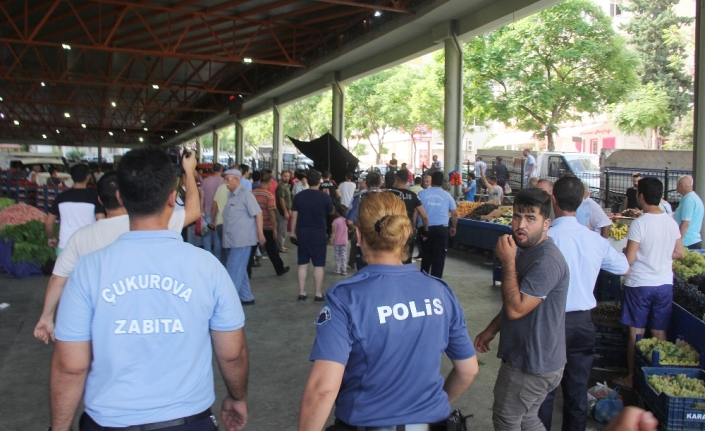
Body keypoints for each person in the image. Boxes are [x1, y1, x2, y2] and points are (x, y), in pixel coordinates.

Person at [50, 147, 249, 431]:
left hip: (108, 423)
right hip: (188, 422)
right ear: (172, 197)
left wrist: (58, 427)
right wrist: (237, 397)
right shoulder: (208, 267)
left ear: (119, 197)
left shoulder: (88, 270)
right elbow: (232, 354)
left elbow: (70, 367)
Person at [298, 192, 479, 431]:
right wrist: (430, 408)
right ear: (404, 235)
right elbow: (468, 369)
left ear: (359, 236)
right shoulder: (440, 291)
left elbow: (323, 388)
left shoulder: (346, 297)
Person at [34, 159, 200, 344]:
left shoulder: (80, 237)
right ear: (126, 197)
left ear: (99, 199)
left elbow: (58, 278)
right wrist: (189, 171)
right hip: (148, 323)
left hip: (99, 326)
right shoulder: (153, 225)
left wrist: (47, 317)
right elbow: (193, 211)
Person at [537, 176, 630, 431]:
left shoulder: (545, 239)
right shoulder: (594, 240)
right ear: (581, 202)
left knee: (545, 393)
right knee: (576, 395)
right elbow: (623, 266)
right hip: (582, 325)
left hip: (550, 322)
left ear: (553, 200)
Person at [474, 188, 569, 431]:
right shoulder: (529, 251)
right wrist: (492, 329)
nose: (520, 225)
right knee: (526, 419)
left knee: (506, 419)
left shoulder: (545, 260)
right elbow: (515, 298)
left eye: (530, 218)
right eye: (517, 216)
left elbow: (516, 309)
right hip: (538, 359)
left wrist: (507, 262)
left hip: (531, 364)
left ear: (546, 223)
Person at [616, 177, 684, 389]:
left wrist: (625, 252)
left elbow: (630, 259)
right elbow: (679, 253)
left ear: (642, 196)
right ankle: (660, 379)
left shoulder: (640, 223)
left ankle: (631, 378)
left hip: (640, 285)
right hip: (664, 285)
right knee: (659, 332)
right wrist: (660, 255)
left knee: (636, 333)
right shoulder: (671, 222)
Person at [221, 168, 266, 305]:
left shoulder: (246, 194)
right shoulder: (231, 195)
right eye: (225, 179)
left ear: (236, 179)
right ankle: (246, 297)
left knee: (233, 271)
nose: (225, 182)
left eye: (228, 179)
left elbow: (258, 214)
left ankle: (228, 303)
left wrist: (260, 234)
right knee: (240, 270)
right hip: (232, 240)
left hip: (242, 240)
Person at [291, 169, 334, 302]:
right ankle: (318, 294)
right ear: (319, 181)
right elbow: (332, 212)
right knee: (318, 265)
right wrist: (328, 197)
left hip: (303, 233)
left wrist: (292, 231)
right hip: (319, 233)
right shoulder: (324, 196)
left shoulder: (299, 196)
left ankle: (302, 293)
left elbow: (294, 215)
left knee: (302, 264)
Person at [45, 164, 105, 257]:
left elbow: (49, 222)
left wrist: (51, 238)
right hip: (88, 247)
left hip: (65, 246)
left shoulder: (61, 197)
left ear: (72, 178)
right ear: (87, 178)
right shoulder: (94, 198)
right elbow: (101, 221)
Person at [418, 171, 457, 278]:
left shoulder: (422, 194)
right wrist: (453, 227)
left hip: (425, 230)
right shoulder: (447, 196)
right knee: (439, 258)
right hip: (441, 231)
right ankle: (436, 280)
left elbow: (416, 212)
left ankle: (424, 279)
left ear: (432, 181)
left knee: (426, 256)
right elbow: (454, 214)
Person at [253, 173, 290, 276]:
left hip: (255, 226)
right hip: (267, 226)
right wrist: (274, 229)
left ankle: (247, 271)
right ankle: (279, 269)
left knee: (251, 249)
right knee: (271, 249)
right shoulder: (269, 195)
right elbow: (271, 213)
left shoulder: (252, 193)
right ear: (269, 183)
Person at [389, 169, 429, 264]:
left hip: (392, 230)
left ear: (396, 180)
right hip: (408, 231)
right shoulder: (413, 196)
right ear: (407, 180)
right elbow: (424, 217)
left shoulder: (390, 195)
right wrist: (426, 231)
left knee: (393, 257)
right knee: (407, 259)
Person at [346, 172, 383, 270]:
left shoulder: (358, 198)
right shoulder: (389, 198)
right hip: (383, 243)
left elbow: (349, 221)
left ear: (366, 183)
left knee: (363, 271)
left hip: (364, 242)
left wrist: (358, 231)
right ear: (381, 183)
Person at [675, 175, 704, 249]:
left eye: (677, 185)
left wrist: (679, 242)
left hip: (687, 241)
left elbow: (685, 224)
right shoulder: (694, 198)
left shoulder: (688, 200)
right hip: (693, 239)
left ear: (681, 185)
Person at [201, 163, 224, 257]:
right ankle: (217, 260)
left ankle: (207, 257)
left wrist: (200, 210)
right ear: (221, 170)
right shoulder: (224, 182)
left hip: (207, 212)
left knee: (206, 236)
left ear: (212, 170)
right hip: (220, 213)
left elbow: (201, 198)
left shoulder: (205, 181)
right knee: (218, 238)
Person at [276, 170, 293, 253]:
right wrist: (285, 211)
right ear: (281, 176)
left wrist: (289, 209)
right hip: (281, 212)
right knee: (281, 229)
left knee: (283, 229)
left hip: (284, 211)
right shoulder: (281, 187)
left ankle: (281, 245)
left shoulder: (286, 187)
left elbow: (287, 200)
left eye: (288, 176)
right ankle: (280, 246)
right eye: (285, 176)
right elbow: (281, 200)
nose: (286, 177)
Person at [331, 203, 349, 275]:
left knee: (337, 255)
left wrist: (331, 240)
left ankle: (338, 269)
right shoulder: (346, 221)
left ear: (337, 212)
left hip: (337, 241)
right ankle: (344, 269)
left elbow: (334, 232)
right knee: (344, 255)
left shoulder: (335, 221)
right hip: (344, 241)